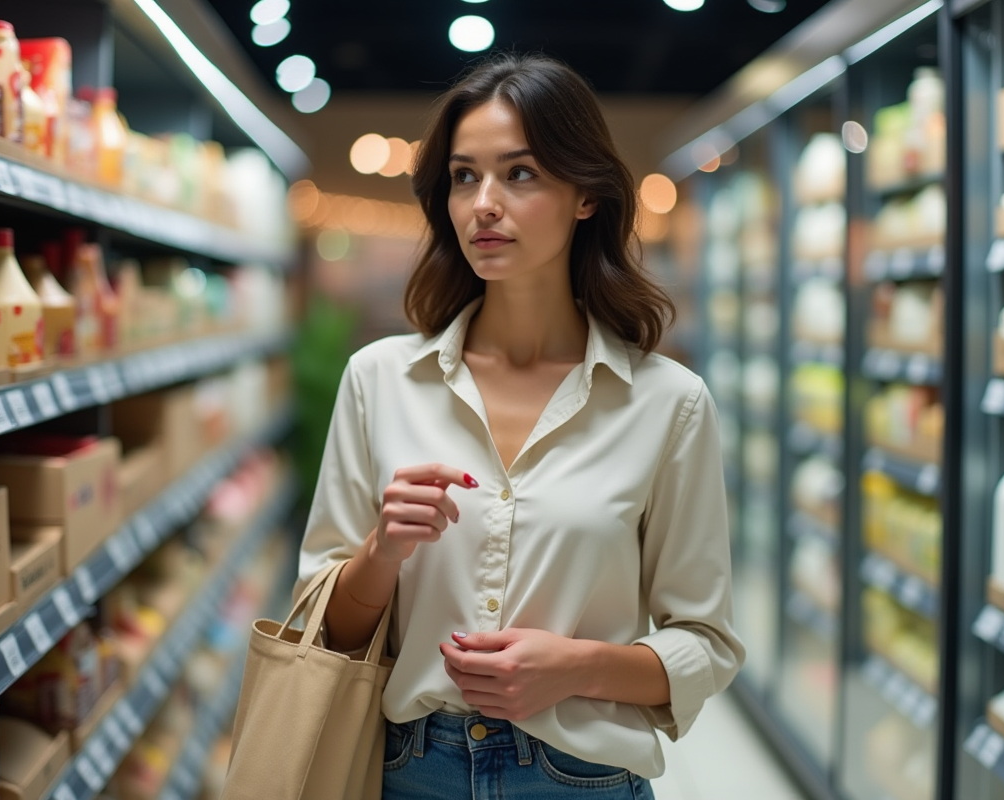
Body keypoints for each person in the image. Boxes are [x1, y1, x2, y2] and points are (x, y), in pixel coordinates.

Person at [298, 52, 744, 799]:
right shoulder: (379, 380)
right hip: (408, 773)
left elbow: (707, 641)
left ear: (586, 196)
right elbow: (322, 628)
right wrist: (381, 553)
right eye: (464, 176)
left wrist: (574, 665)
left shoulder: (670, 402)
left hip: (582, 777)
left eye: (521, 173)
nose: (484, 203)